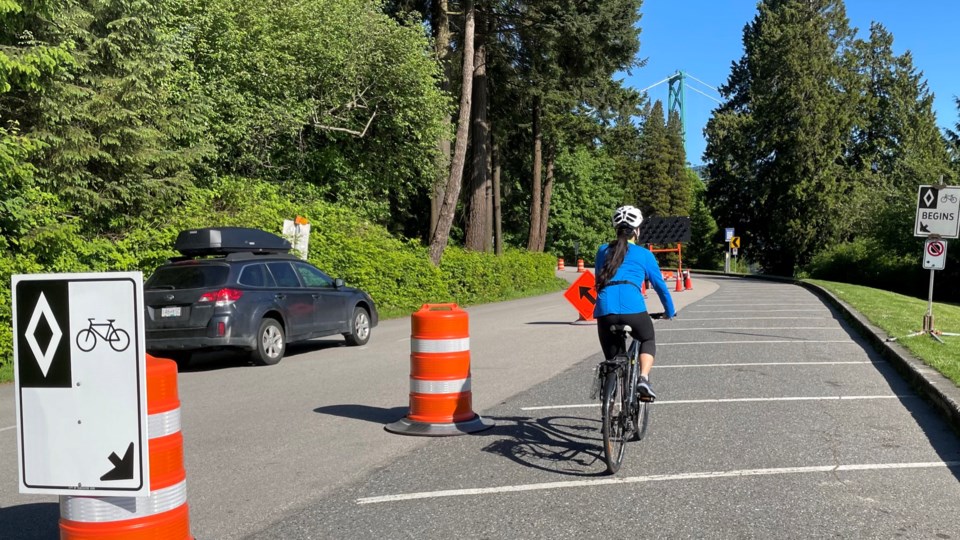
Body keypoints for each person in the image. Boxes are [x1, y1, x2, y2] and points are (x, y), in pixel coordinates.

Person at [593, 205, 676, 401]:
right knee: (647, 339)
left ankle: (610, 398)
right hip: (634, 308)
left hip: (606, 309)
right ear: (637, 231)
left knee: (613, 360)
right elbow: (660, 287)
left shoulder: (602, 250)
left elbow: (598, 279)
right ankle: (643, 379)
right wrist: (669, 311)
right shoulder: (644, 254)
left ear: (616, 229)